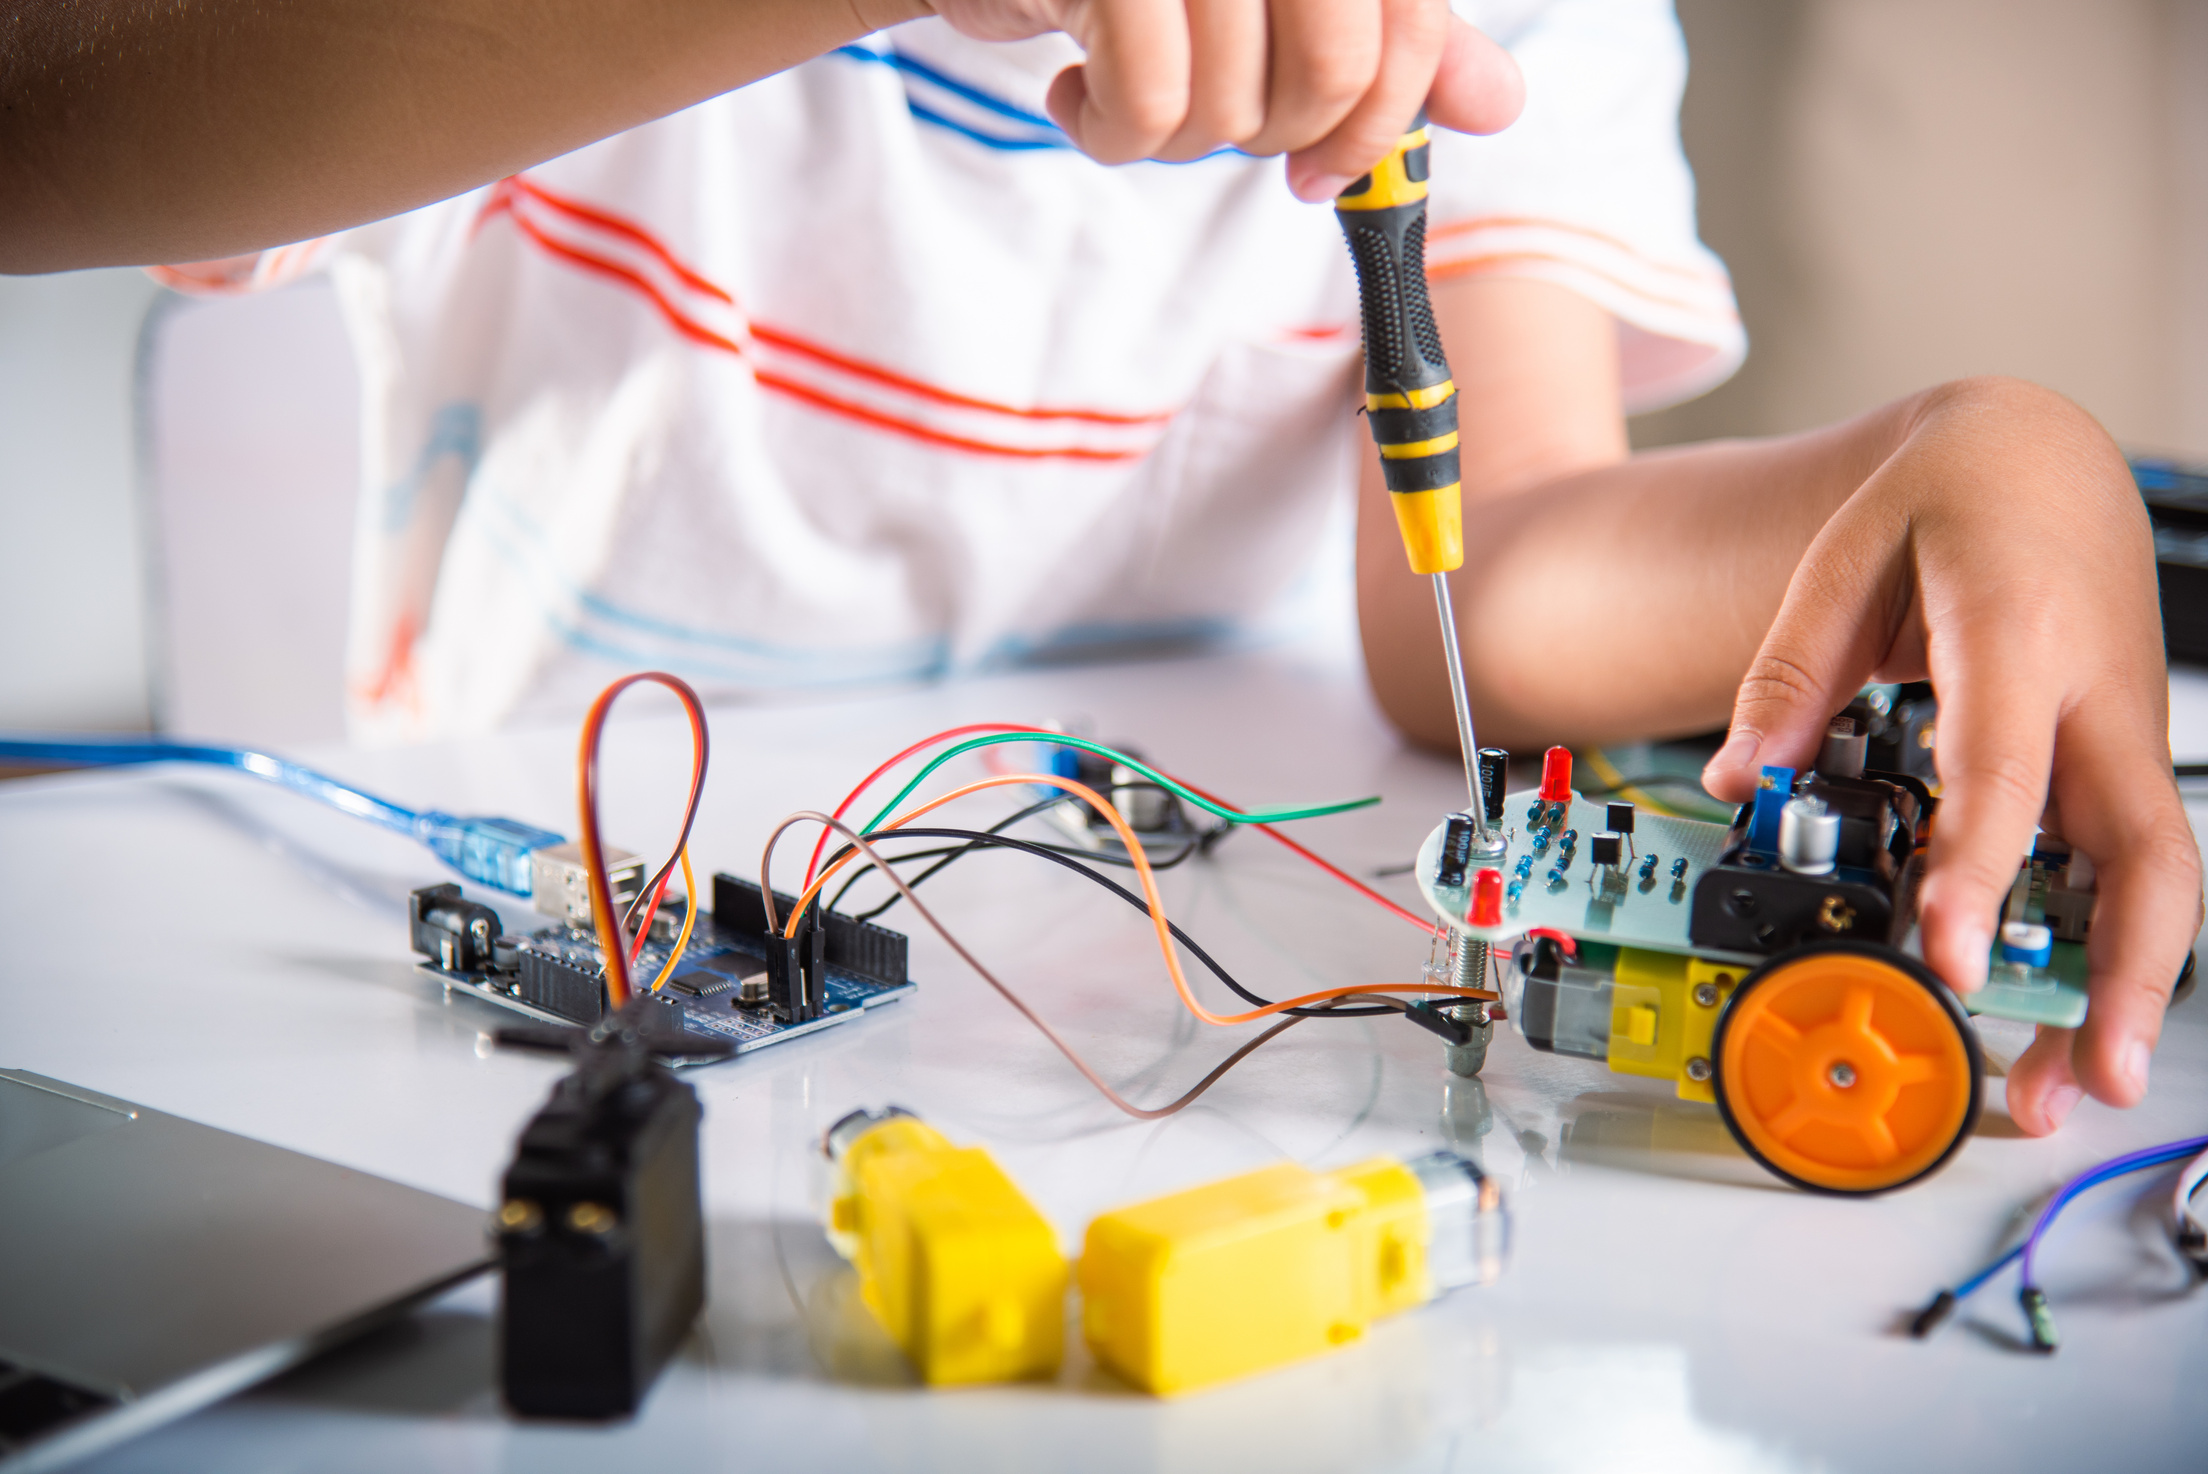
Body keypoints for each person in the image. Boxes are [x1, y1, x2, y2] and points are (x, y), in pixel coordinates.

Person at [3, 0, 2195, 1138]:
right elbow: (56, 121)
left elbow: (1485, 602)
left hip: (1135, 1062)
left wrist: (1948, 453)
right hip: (546, 1046)